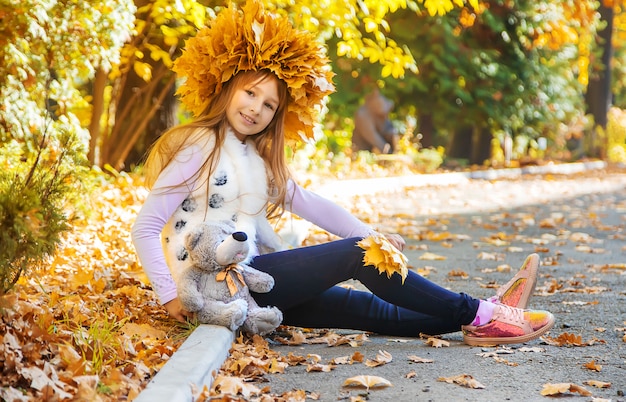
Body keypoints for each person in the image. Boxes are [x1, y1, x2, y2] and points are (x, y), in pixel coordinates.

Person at [131, 0, 555, 347]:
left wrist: (373, 232)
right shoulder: (198, 147)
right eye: (250, 92)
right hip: (211, 288)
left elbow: (308, 202)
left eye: (268, 105)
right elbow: (146, 226)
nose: (255, 109)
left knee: (373, 312)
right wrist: (171, 296)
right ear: (227, 88)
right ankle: (483, 312)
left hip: (249, 283)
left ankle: (485, 315)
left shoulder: (252, 157)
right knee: (357, 254)